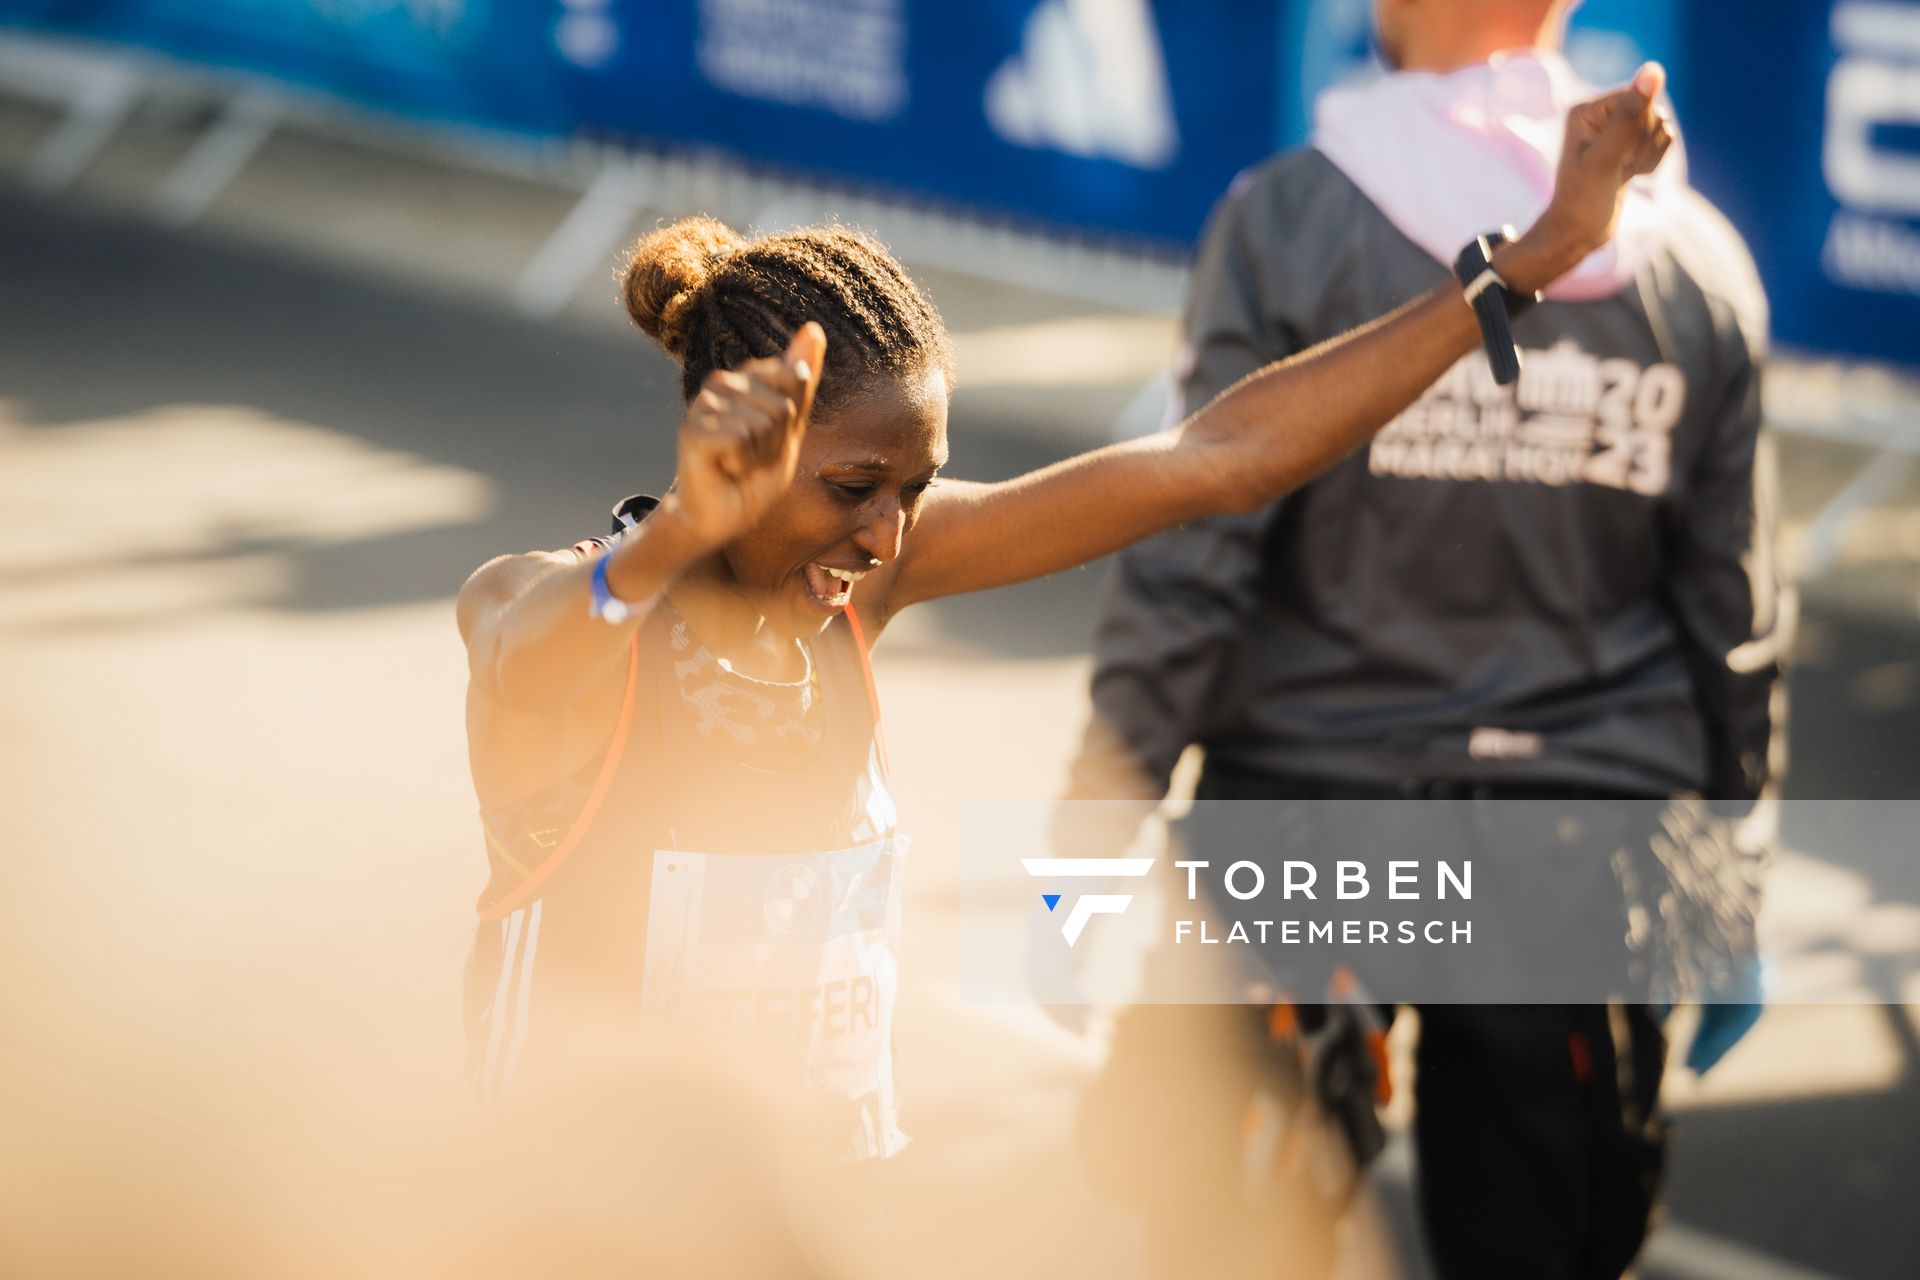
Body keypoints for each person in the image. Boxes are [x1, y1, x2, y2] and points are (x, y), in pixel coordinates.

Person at [455, 66, 1671, 1179]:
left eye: (916, 489)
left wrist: (1531, 259)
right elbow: (520, 645)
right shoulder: (557, 611)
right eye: (851, 486)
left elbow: (1217, 457)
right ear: (729, 445)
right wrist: (675, 534)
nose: (889, 535)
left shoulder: (857, 596)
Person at [1061, 4, 1786, 1278]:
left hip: (1312, 810)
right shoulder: (1702, 260)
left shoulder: (1289, 215)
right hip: (1576, 836)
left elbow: (1192, 552)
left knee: (1224, 1236)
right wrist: (1732, 869)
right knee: (1544, 1242)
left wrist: (1085, 831)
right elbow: (1730, 615)